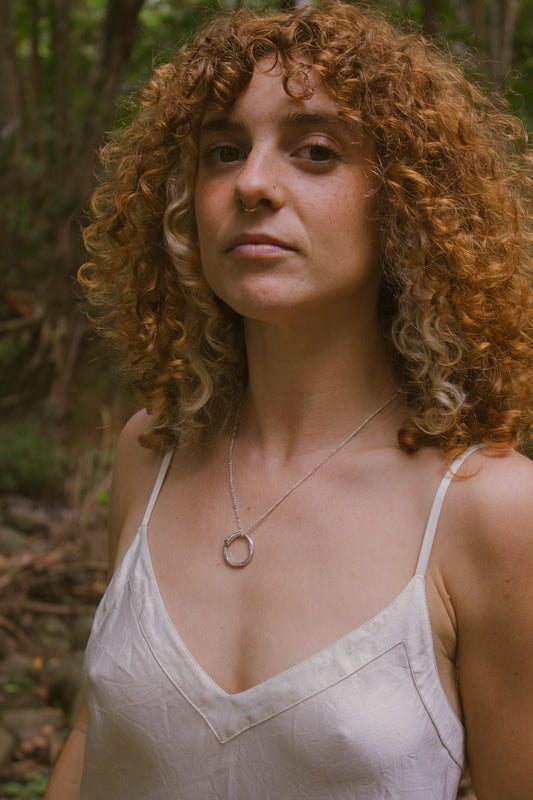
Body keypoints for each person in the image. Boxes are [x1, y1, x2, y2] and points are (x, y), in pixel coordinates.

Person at [44, 3, 533, 799]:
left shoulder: (489, 509)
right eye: (223, 152)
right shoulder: (150, 453)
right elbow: (92, 741)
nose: (252, 183)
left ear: (404, 200)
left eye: (315, 152)